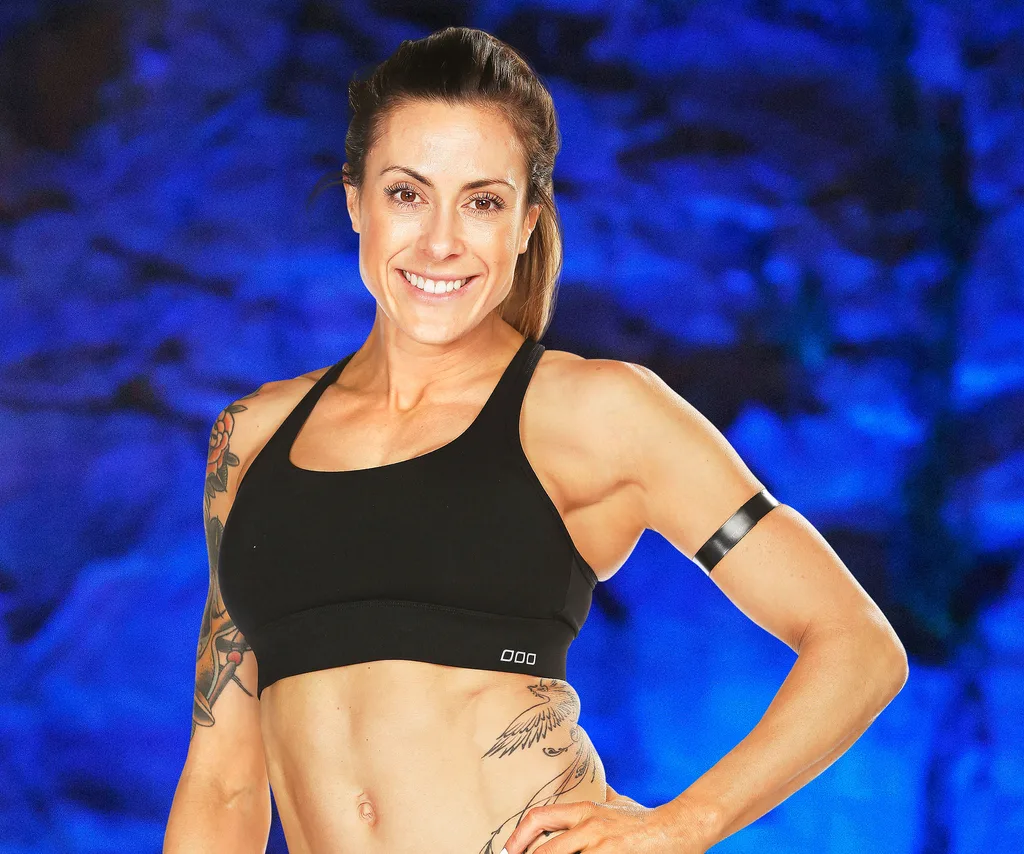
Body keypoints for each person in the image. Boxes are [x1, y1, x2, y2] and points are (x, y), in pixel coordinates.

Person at [164, 26, 908, 854]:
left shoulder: (598, 411)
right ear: (355, 202)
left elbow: (858, 647)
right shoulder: (252, 437)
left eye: (482, 202)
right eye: (407, 193)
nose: (440, 241)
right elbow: (223, 782)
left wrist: (685, 824)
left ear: (527, 223)